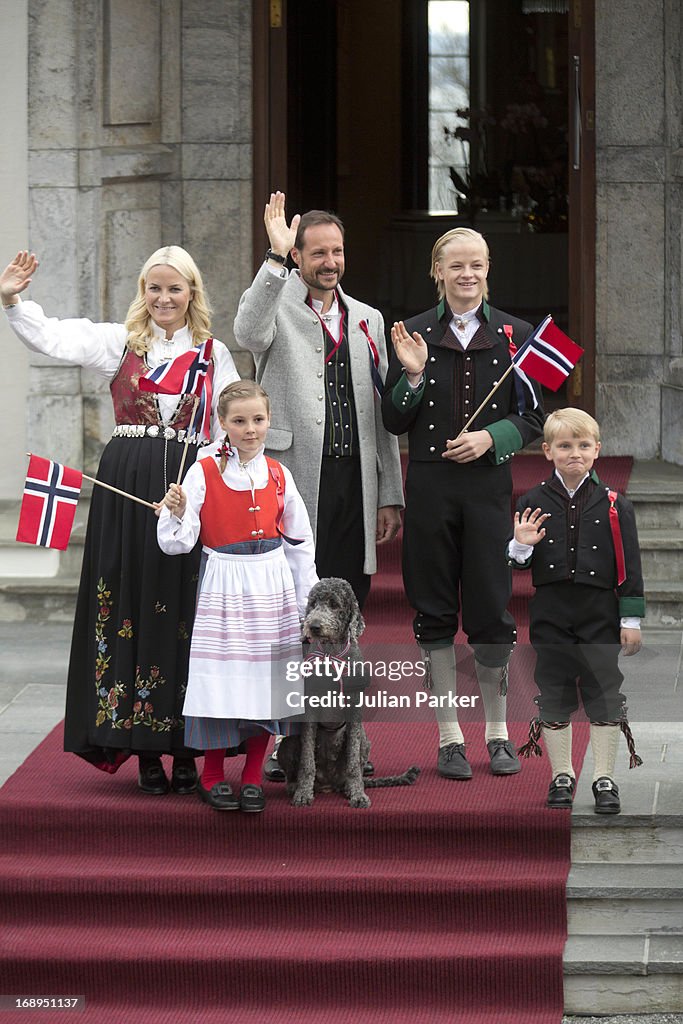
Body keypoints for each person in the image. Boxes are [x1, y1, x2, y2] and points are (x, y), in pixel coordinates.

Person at [1, 247, 239, 794]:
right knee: (127, 603)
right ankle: (142, 750)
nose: (163, 298)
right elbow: (55, 338)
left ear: (192, 294)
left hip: (185, 492)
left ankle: (184, 748)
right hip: (126, 489)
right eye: (153, 288)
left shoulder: (213, 353)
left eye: (174, 289)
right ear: (142, 291)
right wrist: (13, 300)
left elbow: (228, 428)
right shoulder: (119, 343)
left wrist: (199, 490)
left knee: (181, 609)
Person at [233, 191, 404, 779]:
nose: (329, 262)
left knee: (346, 610)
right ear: (300, 256)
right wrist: (274, 261)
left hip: (353, 479)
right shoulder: (275, 304)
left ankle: (342, 742)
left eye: (337, 252)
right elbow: (246, 331)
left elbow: (383, 413)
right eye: (317, 253)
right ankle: (285, 742)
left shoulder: (368, 319)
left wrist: (390, 491)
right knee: (293, 611)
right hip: (292, 478)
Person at [382, 227, 544, 781]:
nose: (467, 274)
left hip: (488, 492)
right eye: (456, 266)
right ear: (438, 272)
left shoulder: (517, 335)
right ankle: (449, 736)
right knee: (433, 612)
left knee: (491, 610)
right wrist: (411, 373)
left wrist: (492, 438)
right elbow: (394, 419)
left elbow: (534, 417)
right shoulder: (412, 332)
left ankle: (497, 735)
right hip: (429, 488)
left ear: (488, 268)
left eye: (476, 264)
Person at [157, 381, 318, 813]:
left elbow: (300, 543)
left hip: (271, 584)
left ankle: (251, 776)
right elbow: (179, 541)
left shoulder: (280, 475)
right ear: (223, 424)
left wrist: (306, 602)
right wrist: (176, 512)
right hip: (224, 585)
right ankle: (211, 775)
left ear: (269, 421)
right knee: (222, 678)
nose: (250, 429)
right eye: (240, 421)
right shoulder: (204, 469)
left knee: (267, 682)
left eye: (258, 420)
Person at [509, 409, 644, 814]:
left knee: (604, 691)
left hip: (599, 610)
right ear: (548, 451)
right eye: (565, 446)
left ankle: (604, 778)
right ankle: (562, 775)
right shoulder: (532, 501)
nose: (575, 453)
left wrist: (630, 619)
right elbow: (517, 564)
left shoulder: (616, 505)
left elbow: (630, 566)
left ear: (597, 450)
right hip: (551, 612)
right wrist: (520, 545)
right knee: (554, 691)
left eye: (584, 446)